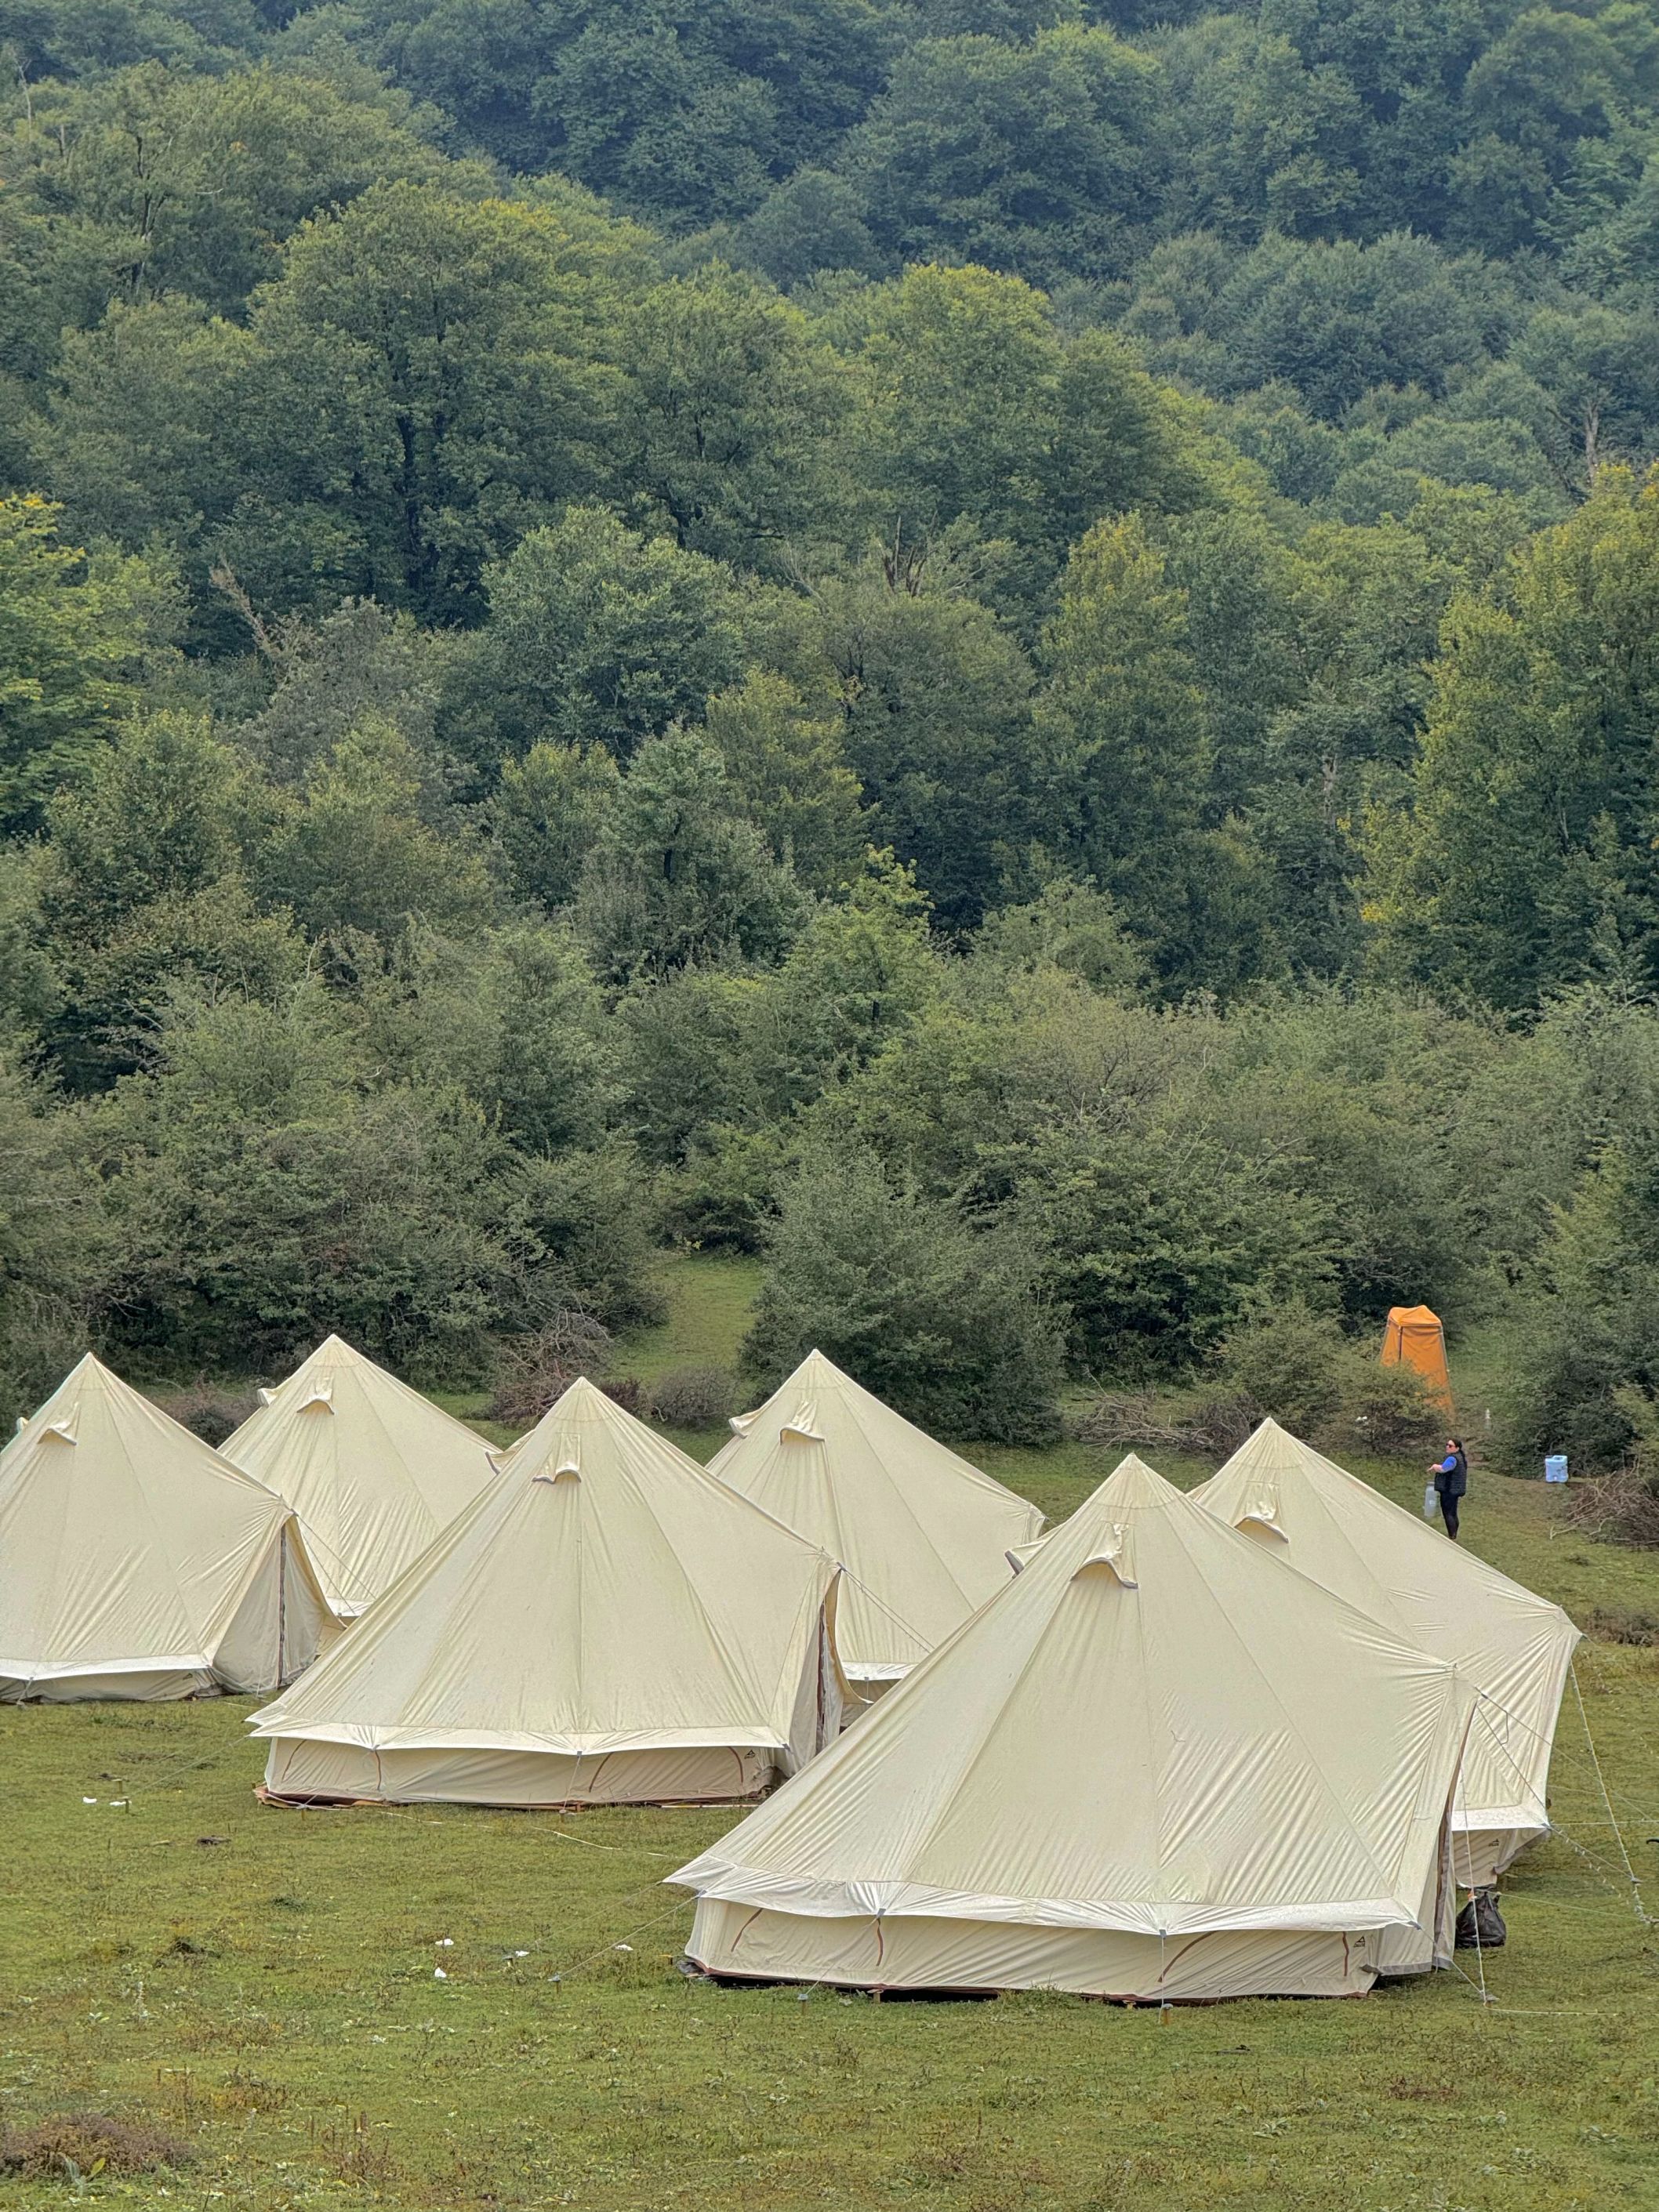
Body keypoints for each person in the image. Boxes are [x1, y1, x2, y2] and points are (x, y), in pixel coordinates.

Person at [1427, 1437, 1468, 1539]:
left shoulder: (1452, 1459)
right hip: (1455, 1490)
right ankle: (1454, 1534)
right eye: (1447, 1445)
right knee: (1453, 1513)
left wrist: (1435, 1466)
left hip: (1448, 1489)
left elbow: (1443, 1469)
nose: (1447, 1447)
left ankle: (1451, 1535)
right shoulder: (1460, 1458)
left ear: (1457, 1448)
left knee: (1448, 1513)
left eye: (1450, 1446)